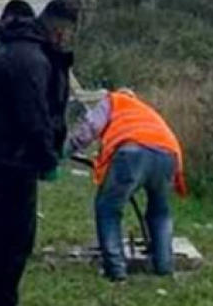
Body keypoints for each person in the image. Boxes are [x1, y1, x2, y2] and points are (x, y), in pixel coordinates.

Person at [0, 0, 80, 306]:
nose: (66, 39)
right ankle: (4, 299)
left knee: (1, 235)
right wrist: (47, 157)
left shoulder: (12, 45)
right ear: (58, 27)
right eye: (67, 32)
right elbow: (34, 115)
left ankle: (1, 296)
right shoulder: (30, 57)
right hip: (13, 158)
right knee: (14, 240)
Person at [66, 88, 187, 282]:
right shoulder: (145, 109)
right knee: (160, 211)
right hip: (169, 154)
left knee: (108, 208)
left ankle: (116, 270)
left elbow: (88, 130)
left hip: (133, 152)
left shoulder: (113, 100)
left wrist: (61, 152)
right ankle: (164, 266)